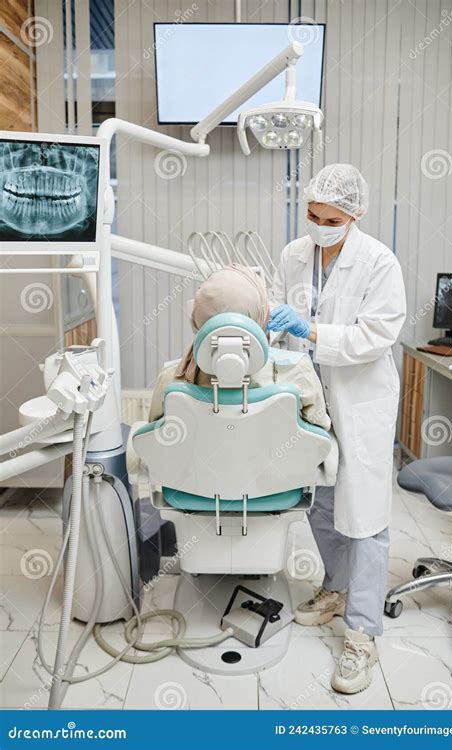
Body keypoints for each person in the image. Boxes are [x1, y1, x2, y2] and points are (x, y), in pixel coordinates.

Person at [268, 163, 406, 694]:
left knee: (365, 514)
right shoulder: (293, 255)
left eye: (330, 218)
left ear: (355, 214)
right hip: (309, 393)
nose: (318, 225)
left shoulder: (379, 263)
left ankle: (362, 635)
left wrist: (313, 330)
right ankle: (336, 588)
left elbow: (375, 336)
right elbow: (284, 325)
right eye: (311, 214)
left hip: (360, 399)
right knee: (320, 500)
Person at [150, 264, 330, 432]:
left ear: (197, 318)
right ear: (262, 314)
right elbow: (320, 431)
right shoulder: (297, 372)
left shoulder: (172, 378)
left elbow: (155, 437)